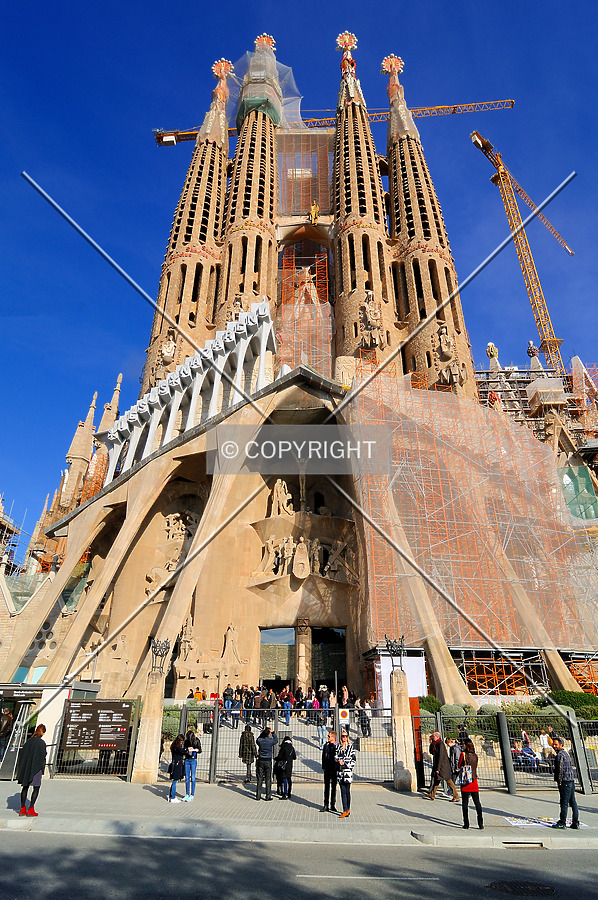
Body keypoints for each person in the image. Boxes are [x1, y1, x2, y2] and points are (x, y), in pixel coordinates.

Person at [17, 724, 47, 817]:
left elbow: (23, 754)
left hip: (27, 768)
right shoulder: (41, 743)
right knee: (36, 788)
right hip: (36, 768)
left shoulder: (28, 741)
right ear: (42, 732)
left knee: (25, 787)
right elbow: (43, 755)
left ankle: (22, 809)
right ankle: (31, 809)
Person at [551, 736, 579, 829]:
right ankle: (575, 822)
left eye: (556, 744)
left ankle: (562, 822)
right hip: (571, 781)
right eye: (553, 744)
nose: (554, 746)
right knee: (573, 802)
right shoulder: (565, 753)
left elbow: (560, 769)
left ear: (561, 745)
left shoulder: (560, 755)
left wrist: (559, 781)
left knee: (564, 802)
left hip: (565, 781)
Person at [458, 738, 484, 830]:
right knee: (477, 802)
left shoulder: (463, 754)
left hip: (466, 780)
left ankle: (466, 823)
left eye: (463, 744)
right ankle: (480, 823)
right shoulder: (475, 755)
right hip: (474, 780)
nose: (462, 745)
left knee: (465, 803)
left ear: (466, 745)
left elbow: (459, 765)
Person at [427, 731, 459, 801]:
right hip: (439, 765)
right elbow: (433, 752)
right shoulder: (436, 743)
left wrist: (438, 768)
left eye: (434, 736)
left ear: (437, 737)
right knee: (437, 780)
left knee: (449, 781)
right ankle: (432, 794)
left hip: (442, 766)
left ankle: (456, 796)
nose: (433, 737)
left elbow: (441, 756)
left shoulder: (440, 744)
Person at [336, 730, 356, 818]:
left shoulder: (351, 747)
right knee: (343, 791)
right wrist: (338, 760)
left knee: (347, 791)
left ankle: (348, 809)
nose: (344, 738)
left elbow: (353, 759)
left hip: (347, 772)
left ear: (347, 737)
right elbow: (335, 756)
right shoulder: (339, 747)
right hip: (340, 772)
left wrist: (347, 765)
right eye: (343, 736)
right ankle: (344, 810)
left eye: (345, 736)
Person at [255, 726, 278, 801]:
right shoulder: (270, 741)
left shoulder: (260, 741)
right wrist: (273, 732)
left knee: (260, 778)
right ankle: (268, 795)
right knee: (268, 779)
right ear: (268, 734)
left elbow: (257, 739)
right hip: (268, 760)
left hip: (260, 760)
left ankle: (258, 795)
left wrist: (263, 731)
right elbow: (276, 740)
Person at [321, 729, 339, 813]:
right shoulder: (326, 745)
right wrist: (323, 766)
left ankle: (332, 805)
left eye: (329, 736)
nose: (327, 737)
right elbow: (323, 756)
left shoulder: (337, 746)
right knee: (326, 787)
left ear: (333, 737)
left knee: (333, 787)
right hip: (327, 768)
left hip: (334, 769)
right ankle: (326, 804)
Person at [275, 735, 296, 799]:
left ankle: (285, 793)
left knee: (284, 779)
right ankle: (289, 793)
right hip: (289, 765)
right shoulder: (292, 748)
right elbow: (294, 757)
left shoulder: (283, 747)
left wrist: (276, 758)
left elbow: (280, 756)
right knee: (289, 778)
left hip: (283, 765)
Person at [183, 728, 202, 802]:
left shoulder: (197, 740)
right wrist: (187, 749)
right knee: (187, 777)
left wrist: (196, 749)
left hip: (193, 759)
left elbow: (200, 750)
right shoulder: (186, 741)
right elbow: (184, 749)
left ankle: (192, 794)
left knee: (193, 777)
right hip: (187, 759)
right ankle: (187, 794)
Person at [168, 734, 186, 803]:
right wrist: (187, 749)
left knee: (175, 781)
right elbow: (181, 750)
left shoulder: (174, 746)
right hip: (177, 765)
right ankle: (172, 797)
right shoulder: (176, 747)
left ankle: (171, 796)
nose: (182, 742)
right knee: (175, 781)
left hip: (176, 764)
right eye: (181, 741)